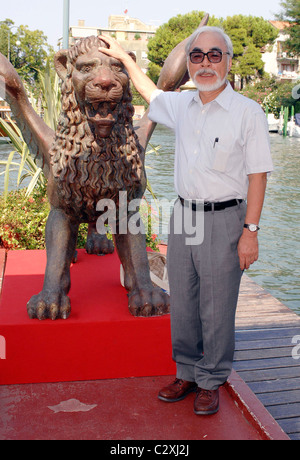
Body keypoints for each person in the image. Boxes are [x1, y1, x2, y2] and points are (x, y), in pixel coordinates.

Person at [100, 26, 273, 416]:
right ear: (190, 63)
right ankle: (188, 372)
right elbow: (150, 91)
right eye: (197, 55)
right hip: (182, 218)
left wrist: (251, 232)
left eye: (215, 55)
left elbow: (258, 175)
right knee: (185, 302)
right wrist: (126, 58)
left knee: (217, 304)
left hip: (226, 218)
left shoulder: (248, 112)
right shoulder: (181, 107)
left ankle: (212, 378)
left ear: (228, 60)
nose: (206, 63)